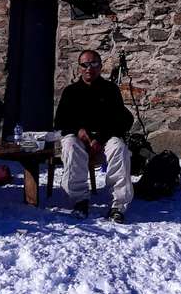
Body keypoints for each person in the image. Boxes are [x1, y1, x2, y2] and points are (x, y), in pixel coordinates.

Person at [54, 49, 134, 222]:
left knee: (119, 148)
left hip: (104, 137)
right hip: (79, 139)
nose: (89, 68)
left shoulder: (110, 90)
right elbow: (60, 121)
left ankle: (117, 205)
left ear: (100, 66)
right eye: (85, 64)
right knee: (69, 145)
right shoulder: (71, 92)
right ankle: (80, 200)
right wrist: (78, 130)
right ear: (79, 68)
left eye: (93, 64)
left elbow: (122, 119)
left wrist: (102, 137)